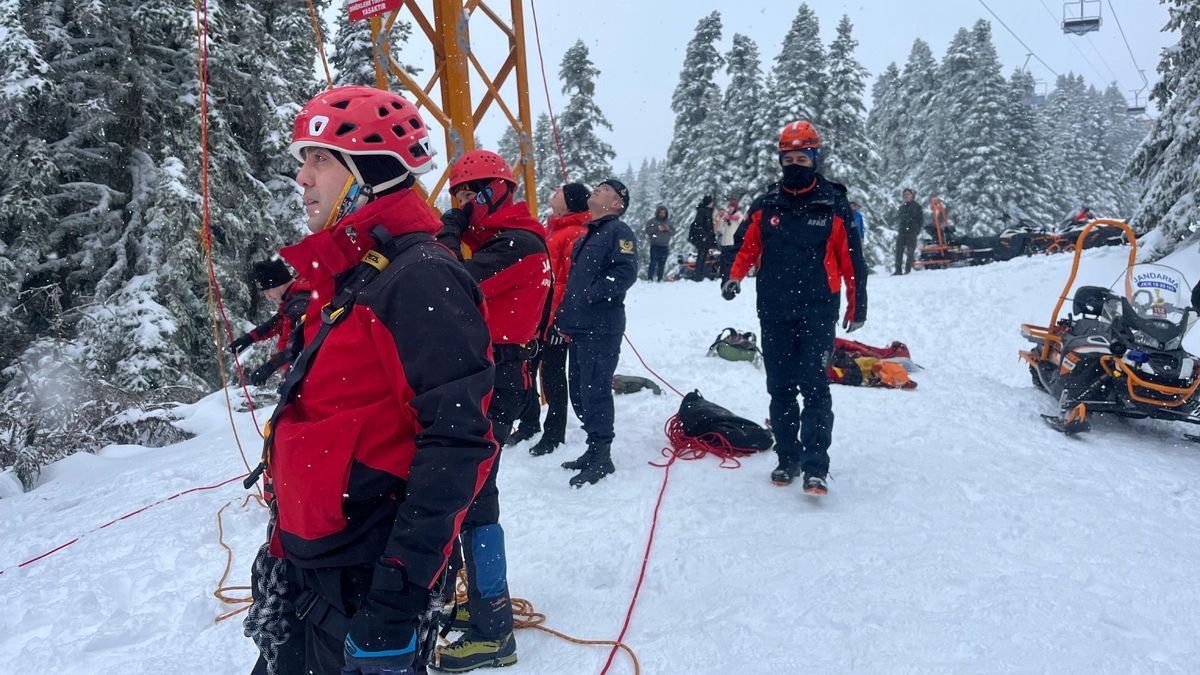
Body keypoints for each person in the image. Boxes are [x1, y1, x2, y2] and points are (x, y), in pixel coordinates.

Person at [245, 86, 499, 675]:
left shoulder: (419, 277)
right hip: (313, 557)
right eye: (304, 160)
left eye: (320, 159)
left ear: (373, 173)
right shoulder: (354, 270)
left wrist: (397, 595)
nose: (302, 177)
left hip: (366, 571)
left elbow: (457, 441)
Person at [435, 149, 551, 671]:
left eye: (472, 192)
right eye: (458, 194)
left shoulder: (516, 244)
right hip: (489, 373)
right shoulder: (504, 240)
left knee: (475, 496)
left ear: (495, 191)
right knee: (472, 495)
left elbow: (444, 283)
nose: (465, 203)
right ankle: (484, 607)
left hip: (494, 377)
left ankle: (494, 630)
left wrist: (448, 229)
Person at [720, 120, 868, 496]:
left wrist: (857, 305)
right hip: (774, 309)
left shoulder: (832, 203)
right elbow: (746, 246)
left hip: (818, 309)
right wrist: (734, 276)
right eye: (788, 159)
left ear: (814, 158)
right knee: (781, 388)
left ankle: (816, 466)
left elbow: (852, 258)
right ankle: (788, 458)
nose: (795, 165)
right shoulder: (766, 204)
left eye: (802, 158)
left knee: (815, 387)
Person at [554, 179, 638, 487]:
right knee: (580, 391)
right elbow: (574, 283)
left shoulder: (618, 231)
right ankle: (593, 448)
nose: (599, 189)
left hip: (601, 326)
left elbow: (625, 272)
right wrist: (565, 314)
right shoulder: (588, 234)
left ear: (617, 204)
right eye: (599, 186)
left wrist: (592, 295)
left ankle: (602, 456)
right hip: (579, 326)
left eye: (607, 190)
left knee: (595, 391)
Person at [528, 184, 592, 457]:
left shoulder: (575, 233)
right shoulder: (552, 228)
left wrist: (560, 320)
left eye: (560, 192)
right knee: (528, 369)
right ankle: (529, 423)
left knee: (552, 375)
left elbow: (571, 283)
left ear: (570, 202)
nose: (554, 192)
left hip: (556, 318)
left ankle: (554, 433)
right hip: (539, 314)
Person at [229, 260, 312, 386]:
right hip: (302, 372)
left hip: (308, 374)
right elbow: (278, 321)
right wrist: (250, 337)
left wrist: (271, 366)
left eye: (268, 290)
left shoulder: (300, 304)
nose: (267, 296)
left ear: (279, 283)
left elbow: (300, 345)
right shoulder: (292, 299)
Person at [687, 195, 717, 281]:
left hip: (704, 237)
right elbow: (699, 225)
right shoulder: (703, 212)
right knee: (701, 256)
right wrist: (703, 236)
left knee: (703, 256)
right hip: (702, 238)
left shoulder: (706, 211)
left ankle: (700, 273)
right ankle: (698, 274)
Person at [895, 189, 923, 275]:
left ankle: (908, 270)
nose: (905, 196)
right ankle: (898, 270)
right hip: (902, 231)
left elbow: (920, 220)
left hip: (912, 231)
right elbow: (900, 219)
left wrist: (916, 230)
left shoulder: (917, 207)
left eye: (907, 194)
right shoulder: (902, 208)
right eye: (904, 195)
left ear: (911, 195)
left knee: (910, 251)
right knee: (899, 250)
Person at [715, 200, 744, 283]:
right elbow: (718, 228)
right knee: (724, 261)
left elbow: (743, 226)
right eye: (729, 207)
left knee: (731, 261)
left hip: (734, 243)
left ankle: (731, 276)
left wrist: (736, 219)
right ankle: (724, 275)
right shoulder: (726, 216)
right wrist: (723, 220)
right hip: (725, 243)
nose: (730, 209)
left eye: (732, 207)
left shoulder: (739, 216)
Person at [644, 205, 673, 282]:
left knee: (662, 263)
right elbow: (647, 230)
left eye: (664, 213)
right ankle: (650, 278)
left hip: (665, 245)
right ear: (658, 213)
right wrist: (657, 228)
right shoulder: (652, 221)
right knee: (653, 262)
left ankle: (660, 278)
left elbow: (673, 232)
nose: (662, 214)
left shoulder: (668, 222)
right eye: (661, 213)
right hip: (655, 245)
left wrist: (668, 229)